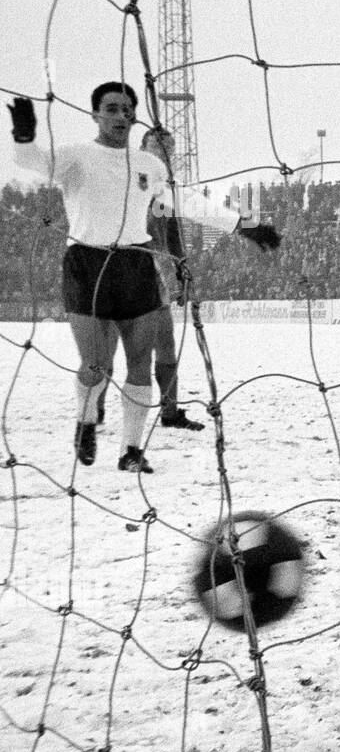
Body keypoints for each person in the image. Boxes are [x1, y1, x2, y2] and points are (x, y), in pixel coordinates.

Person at [8, 85, 280, 472]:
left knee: (140, 363)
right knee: (96, 365)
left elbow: (184, 201)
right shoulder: (77, 157)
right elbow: (32, 161)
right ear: (95, 114)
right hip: (87, 265)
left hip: (135, 265)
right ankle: (85, 421)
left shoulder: (148, 165)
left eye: (127, 109)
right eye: (111, 109)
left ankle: (131, 451)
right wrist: (23, 133)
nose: (120, 116)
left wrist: (243, 226)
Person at [95, 127, 207, 431]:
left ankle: (170, 411)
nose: (165, 152)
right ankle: (97, 409)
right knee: (108, 346)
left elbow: (171, 233)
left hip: (152, 271)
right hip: (115, 267)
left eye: (169, 148)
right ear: (144, 147)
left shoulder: (166, 190)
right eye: (158, 146)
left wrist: (182, 268)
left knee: (166, 342)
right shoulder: (128, 177)